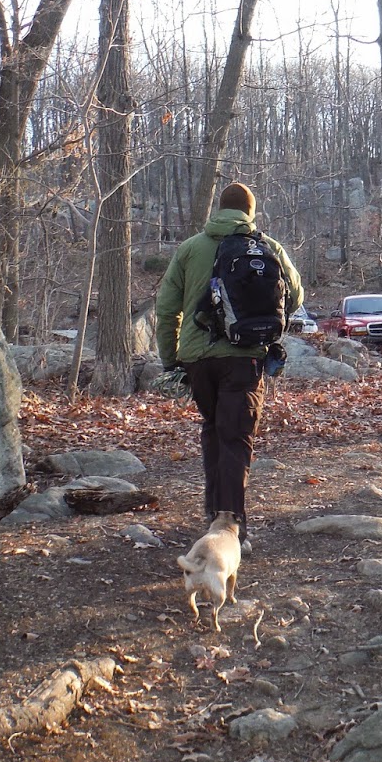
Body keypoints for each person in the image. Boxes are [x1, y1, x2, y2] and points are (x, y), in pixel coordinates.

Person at [155, 182, 304, 538]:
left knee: (214, 429)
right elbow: (295, 295)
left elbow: (165, 310)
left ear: (218, 210)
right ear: (250, 212)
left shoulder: (190, 249)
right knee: (236, 438)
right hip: (246, 358)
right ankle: (232, 525)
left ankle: (214, 517)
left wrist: (171, 360)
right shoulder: (268, 247)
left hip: (198, 359)